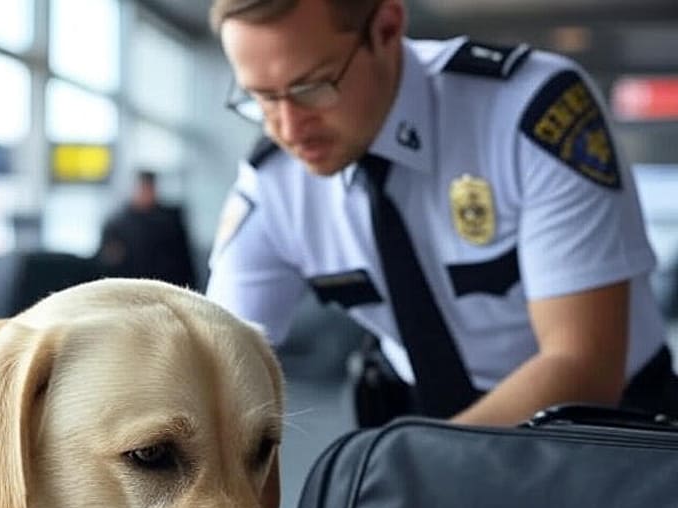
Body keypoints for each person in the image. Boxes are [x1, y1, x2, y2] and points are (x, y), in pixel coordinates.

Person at [205, 0, 678, 426]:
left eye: (313, 87)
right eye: (262, 97)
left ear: (386, 28)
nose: (288, 127)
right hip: (424, 422)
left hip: (605, 433)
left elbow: (583, 365)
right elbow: (211, 363)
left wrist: (414, 469)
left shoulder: (527, 115)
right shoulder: (274, 185)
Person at [97, 169, 198, 289]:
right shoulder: (117, 223)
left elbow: (184, 261)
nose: (146, 193)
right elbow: (106, 261)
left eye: (149, 188)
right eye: (142, 188)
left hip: (164, 287)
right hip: (130, 288)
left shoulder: (169, 221)